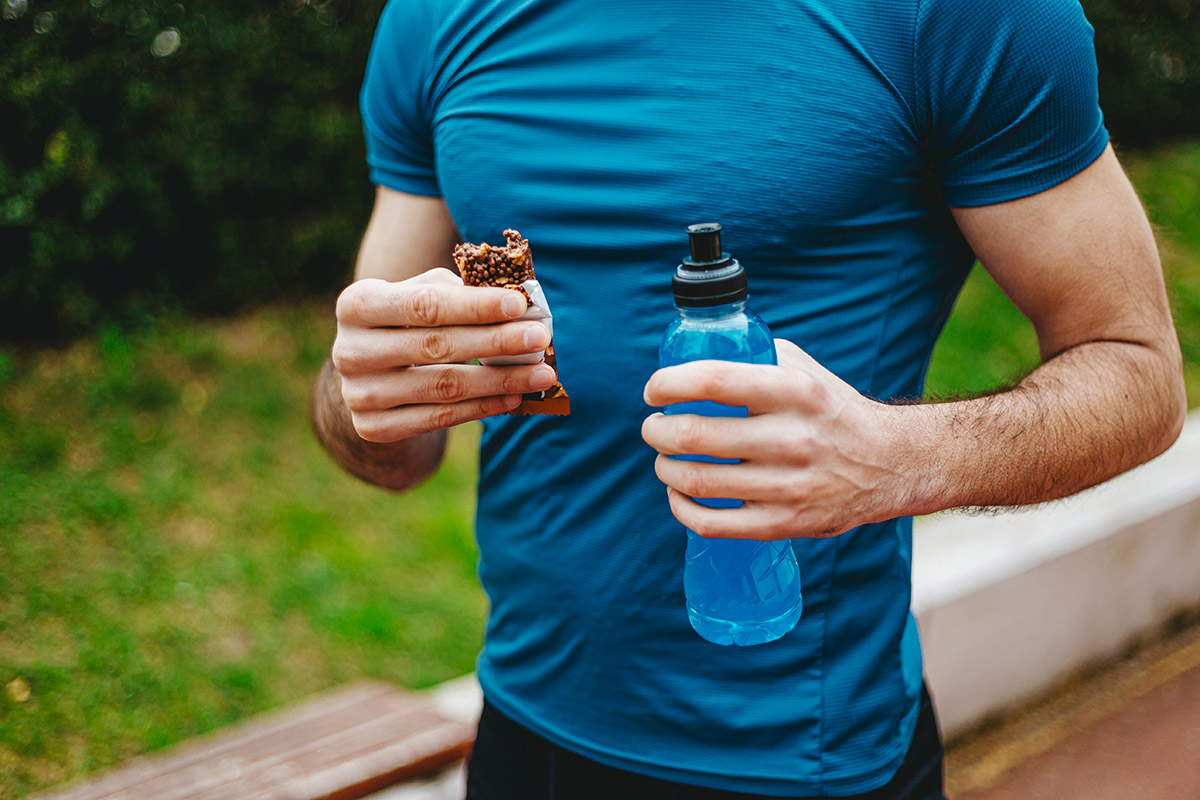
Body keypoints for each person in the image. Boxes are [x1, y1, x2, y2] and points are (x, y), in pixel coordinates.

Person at [310, 0, 1186, 796]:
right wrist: (369, 400)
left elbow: (1136, 369)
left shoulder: (964, 14)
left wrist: (898, 460)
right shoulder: (432, 17)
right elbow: (386, 432)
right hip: (522, 731)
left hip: (803, 759)